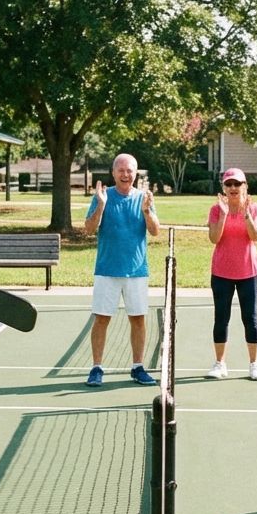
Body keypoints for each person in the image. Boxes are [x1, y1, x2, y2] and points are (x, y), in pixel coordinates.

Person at [82, 153, 161, 387]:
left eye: (130, 170)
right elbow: (88, 228)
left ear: (135, 173)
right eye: (121, 170)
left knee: (138, 320)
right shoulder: (102, 196)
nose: (125, 175)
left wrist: (147, 211)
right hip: (107, 269)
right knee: (102, 320)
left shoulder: (144, 198)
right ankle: (96, 368)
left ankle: (137, 367)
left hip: (136, 271)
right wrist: (101, 206)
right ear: (113, 172)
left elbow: (155, 231)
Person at [204, 167, 257, 381]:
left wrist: (246, 214)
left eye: (237, 184)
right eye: (228, 184)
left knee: (250, 318)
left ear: (245, 187)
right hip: (221, 272)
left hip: (249, 272)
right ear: (224, 188)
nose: (233, 188)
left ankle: (254, 365)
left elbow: (255, 236)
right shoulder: (215, 210)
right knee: (221, 318)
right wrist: (223, 214)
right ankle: (220, 363)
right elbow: (214, 238)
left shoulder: (255, 208)